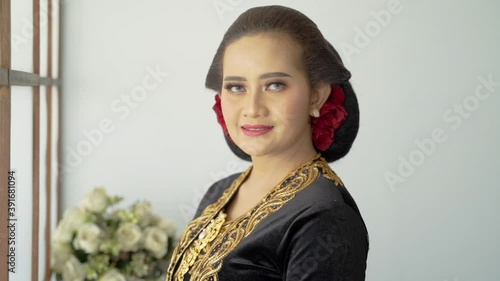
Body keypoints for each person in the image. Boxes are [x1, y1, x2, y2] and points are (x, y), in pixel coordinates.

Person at [166, 5, 369, 281]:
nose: (252, 108)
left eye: (274, 85)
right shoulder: (220, 192)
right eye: (236, 87)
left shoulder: (325, 216)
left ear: (316, 97)